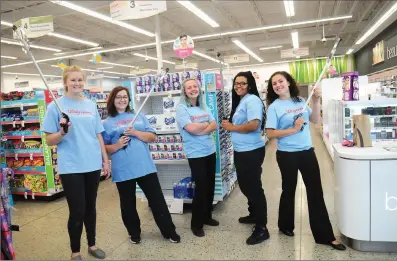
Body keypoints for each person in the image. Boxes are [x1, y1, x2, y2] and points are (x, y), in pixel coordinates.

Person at [265, 71, 346, 251]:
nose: (278, 85)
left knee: (315, 192)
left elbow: (315, 120)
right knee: (288, 190)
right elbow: (270, 133)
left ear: (288, 82)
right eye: (274, 84)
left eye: (280, 81)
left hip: (307, 152)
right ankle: (285, 225)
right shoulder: (274, 107)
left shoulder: (300, 101)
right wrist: (293, 130)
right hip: (286, 155)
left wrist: (316, 100)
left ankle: (325, 235)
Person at [42, 66, 110, 260]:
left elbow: (98, 134)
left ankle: (92, 244)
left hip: (92, 164)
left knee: (91, 207)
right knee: (77, 210)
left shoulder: (90, 105)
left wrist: (105, 160)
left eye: (80, 80)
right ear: (65, 83)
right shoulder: (56, 106)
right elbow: (48, 140)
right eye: (73, 80)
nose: (77, 83)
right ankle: (75, 251)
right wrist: (62, 132)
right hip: (71, 165)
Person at [102, 86, 180, 244]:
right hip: (123, 170)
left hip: (145, 166)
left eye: (125, 96)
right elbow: (102, 148)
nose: (122, 99)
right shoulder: (107, 123)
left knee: (157, 200)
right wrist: (116, 145)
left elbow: (152, 137)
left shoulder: (138, 116)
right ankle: (134, 233)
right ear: (112, 100)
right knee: (128, 204)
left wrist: (136, 133)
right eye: (118, 97)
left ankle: (169, 231)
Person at [221, 71, 268, 245]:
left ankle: (262, 228)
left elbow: (253, 125)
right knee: (247, 186)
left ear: (249, 85)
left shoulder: (253, 100)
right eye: (236, 83)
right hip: (243, 150)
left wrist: (231, 127)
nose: (238, 86)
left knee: (254, 188)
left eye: (242, 83)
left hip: (251, 151)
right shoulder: (242, 101)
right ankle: (254, 215)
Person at [176, 78, 218, 237]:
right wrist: (204, 126)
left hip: (210, 150)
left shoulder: (203, 105)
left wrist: (200, 128)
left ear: (199, 89)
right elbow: (191, 129)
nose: (193, 89)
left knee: (210, 186)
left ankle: (207, 216)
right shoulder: (181, 108)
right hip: (195, 153)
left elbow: (214, 124)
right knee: (201, 188)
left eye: (195, 86)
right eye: (189, 87)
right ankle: (196, 224)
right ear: (184, 91)